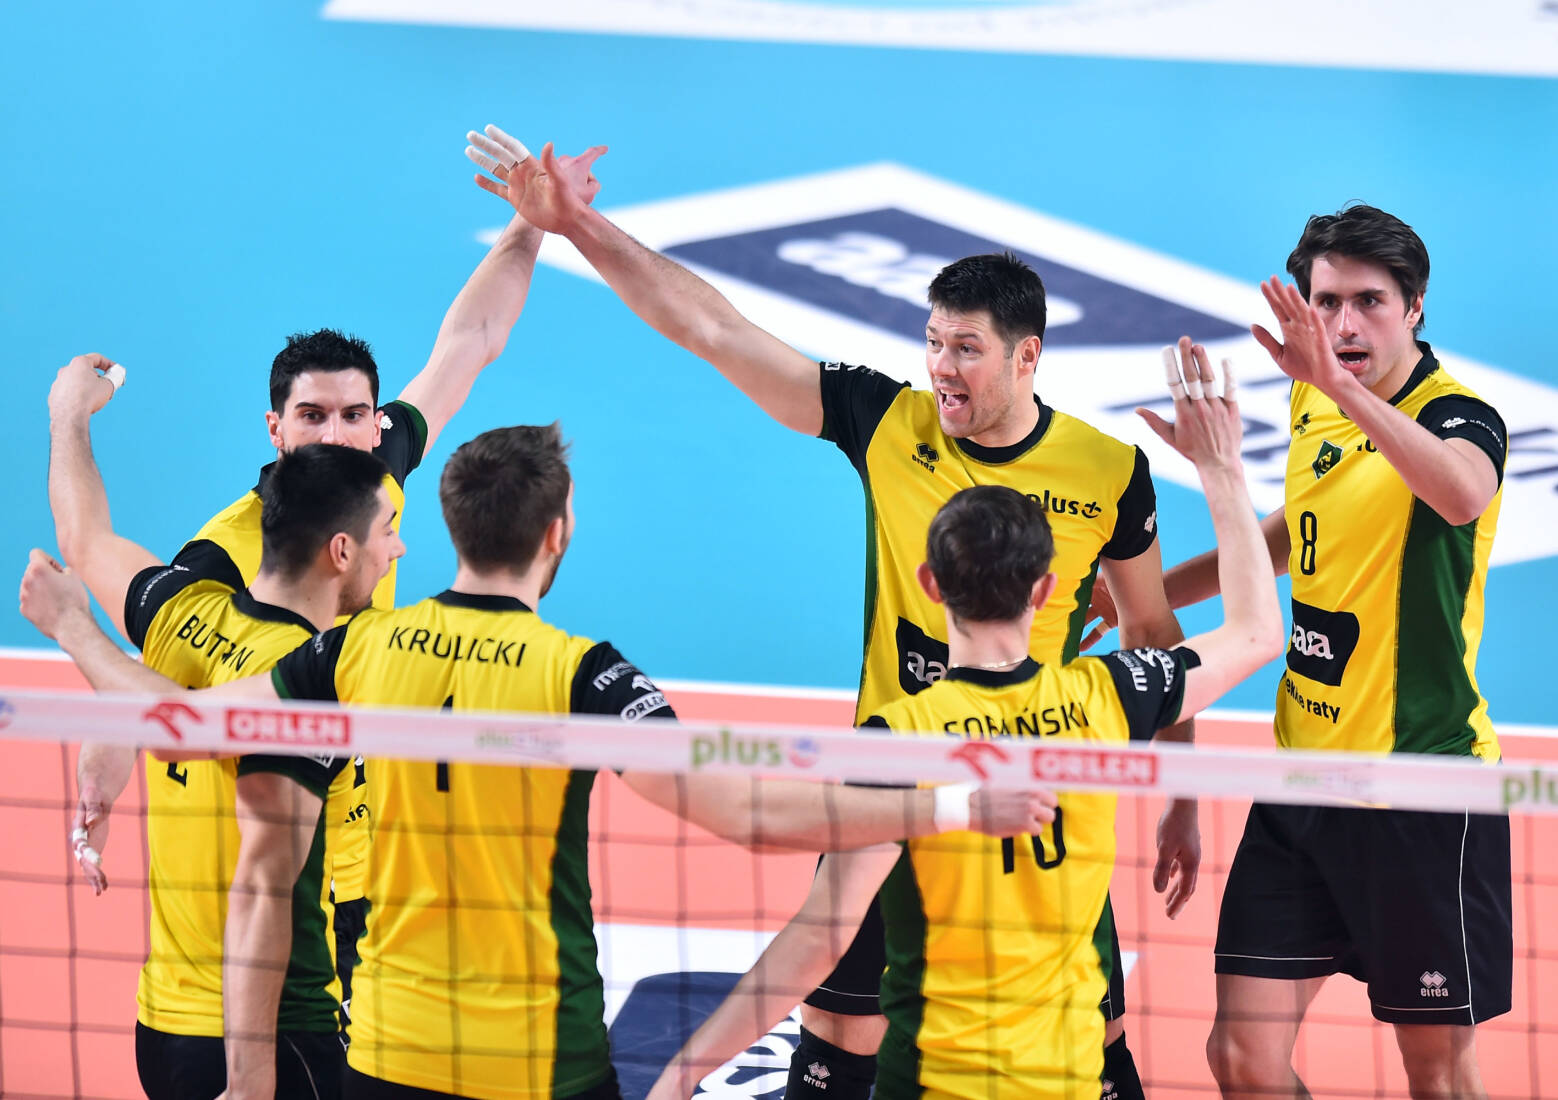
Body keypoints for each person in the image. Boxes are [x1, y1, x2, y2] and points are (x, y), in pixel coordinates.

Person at [20, 422, 1058, 1100]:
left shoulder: (353, 652)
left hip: (385, 1049)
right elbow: (748, 814)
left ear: (449, 524)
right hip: (537, 1060)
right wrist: (949, 808)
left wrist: (75, 629)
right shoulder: (585, 675)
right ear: (558, 533)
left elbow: (186, 724)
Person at [470, 137, 1200, 1099]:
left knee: (1091, 1031)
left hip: (1039, 786)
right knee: (838, 1028)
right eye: (933, 342)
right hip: (891, 773)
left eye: (967, 349)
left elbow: (1152, 633)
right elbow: (715, 331)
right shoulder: (887, 421)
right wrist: (577, 225)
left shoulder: (1110, 472)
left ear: (1028, 355)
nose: (942, 368)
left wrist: (1187, 794)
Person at [51, 135, 605, 1033]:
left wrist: (531, 224)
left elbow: (469, 343)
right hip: (282, 863)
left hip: (369, 844)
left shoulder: (377, 473)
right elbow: (133, 618)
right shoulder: (227, 556)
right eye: (311, 416)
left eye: (353, 415)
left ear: (376, 424)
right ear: (275, 428)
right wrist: (68, 414)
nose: (335, 436)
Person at [645, 347, 1282, 1099]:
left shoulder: (899, 743)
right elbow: (1255, 634)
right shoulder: (1108, 699)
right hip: (1059, 1084)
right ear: (1046, 592)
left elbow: (817, 939)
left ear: (929, 584)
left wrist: (682, 1071)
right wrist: (1220, 469)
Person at [1089, 206, 1509, 1098]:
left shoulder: (1460, 415)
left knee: (1436, 1073)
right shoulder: (1312, 398)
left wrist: (1342, 388)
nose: (1345, 324)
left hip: (1420, 788)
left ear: (1415, 307)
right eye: (1326, 303)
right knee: (1240, 1057)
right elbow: (1294, 533)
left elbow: (1462, 496)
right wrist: (1145, 595)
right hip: (1302, 783)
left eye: (1370, 302)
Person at [39, 439, 402, 1099]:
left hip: (162, 1026)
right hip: (275, 1037)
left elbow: (83, 536)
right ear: (342, 552)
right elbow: (196, 735)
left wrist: (69, 411)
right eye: (388, 532)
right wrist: (251, 1078)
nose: (397, 549)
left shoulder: (181, 608)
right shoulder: (317, 669)